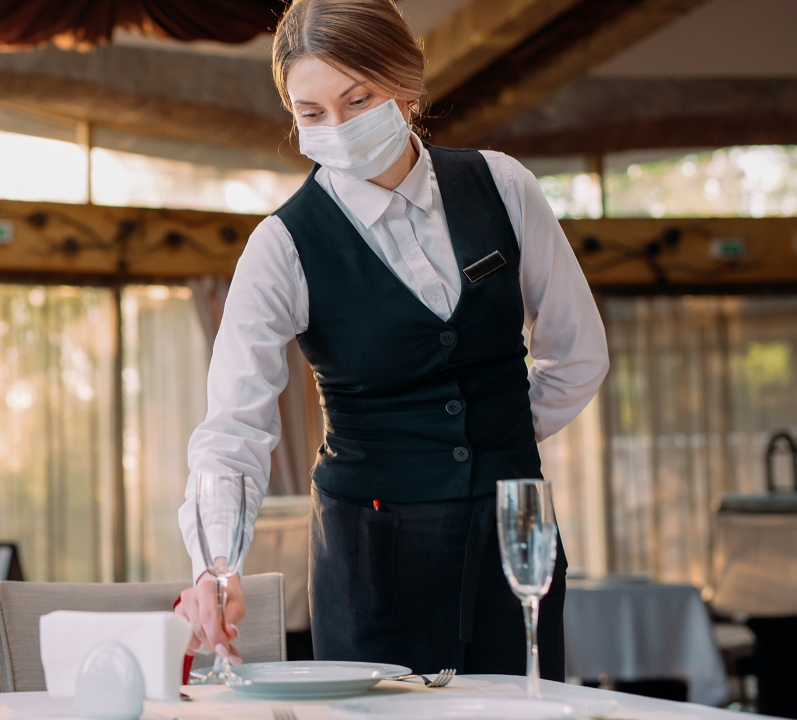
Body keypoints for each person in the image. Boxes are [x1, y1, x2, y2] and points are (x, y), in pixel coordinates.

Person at [173, 0, 608, 677]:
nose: (339, 128)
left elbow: (578, 354)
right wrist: (216, 564)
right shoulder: (282, 246)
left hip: (514, 540)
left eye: (358, 98)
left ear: (404, 84)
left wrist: (497, 439)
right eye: (313, 114)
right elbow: (233, 428)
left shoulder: (502, 185)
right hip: (371, 557)